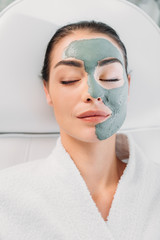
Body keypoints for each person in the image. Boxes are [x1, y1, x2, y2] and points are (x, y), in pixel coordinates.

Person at [0, 20, 160, 240]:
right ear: (47, 91)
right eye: (69, 80)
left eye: (110, 77)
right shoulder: (6, 195)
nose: (93, 93)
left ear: (128, 86)